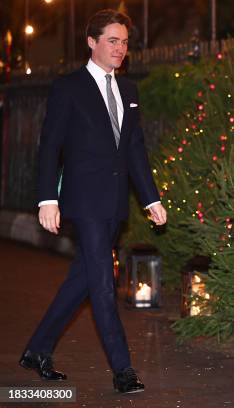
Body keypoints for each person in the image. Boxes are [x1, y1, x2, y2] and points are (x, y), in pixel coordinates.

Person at [19, 9, 166, 393]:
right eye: (112, 40)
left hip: (114, 203)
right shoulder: (68, 87)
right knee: (102, 281)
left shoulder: (129, 91)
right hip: (83, 201)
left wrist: (150, 199)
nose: (120, 48)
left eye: (124, 42)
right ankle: (123, 369)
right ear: (92, 42)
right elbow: (50, 146)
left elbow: (135, 149)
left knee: (83, 278)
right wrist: (47, 198)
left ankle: (38, 349)